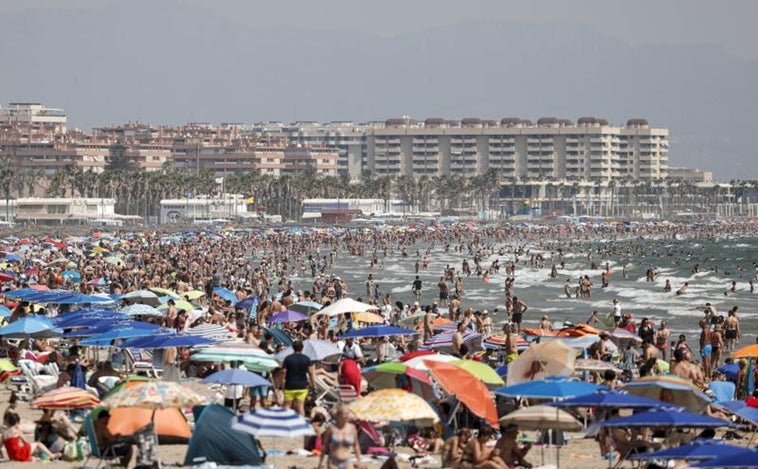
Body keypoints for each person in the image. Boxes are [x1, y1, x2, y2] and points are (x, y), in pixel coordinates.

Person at [282, 340, 316, 416]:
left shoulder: (288, 359)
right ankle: (301, 424)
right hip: (302, 386)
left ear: (293, 348)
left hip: (290, 385)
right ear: (302, 348)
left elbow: (283, 373)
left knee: (287, 406)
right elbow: (311, 373)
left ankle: (284, 423)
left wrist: (281, 385)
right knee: (300, 407)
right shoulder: (306, 359)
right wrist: (314, 385)